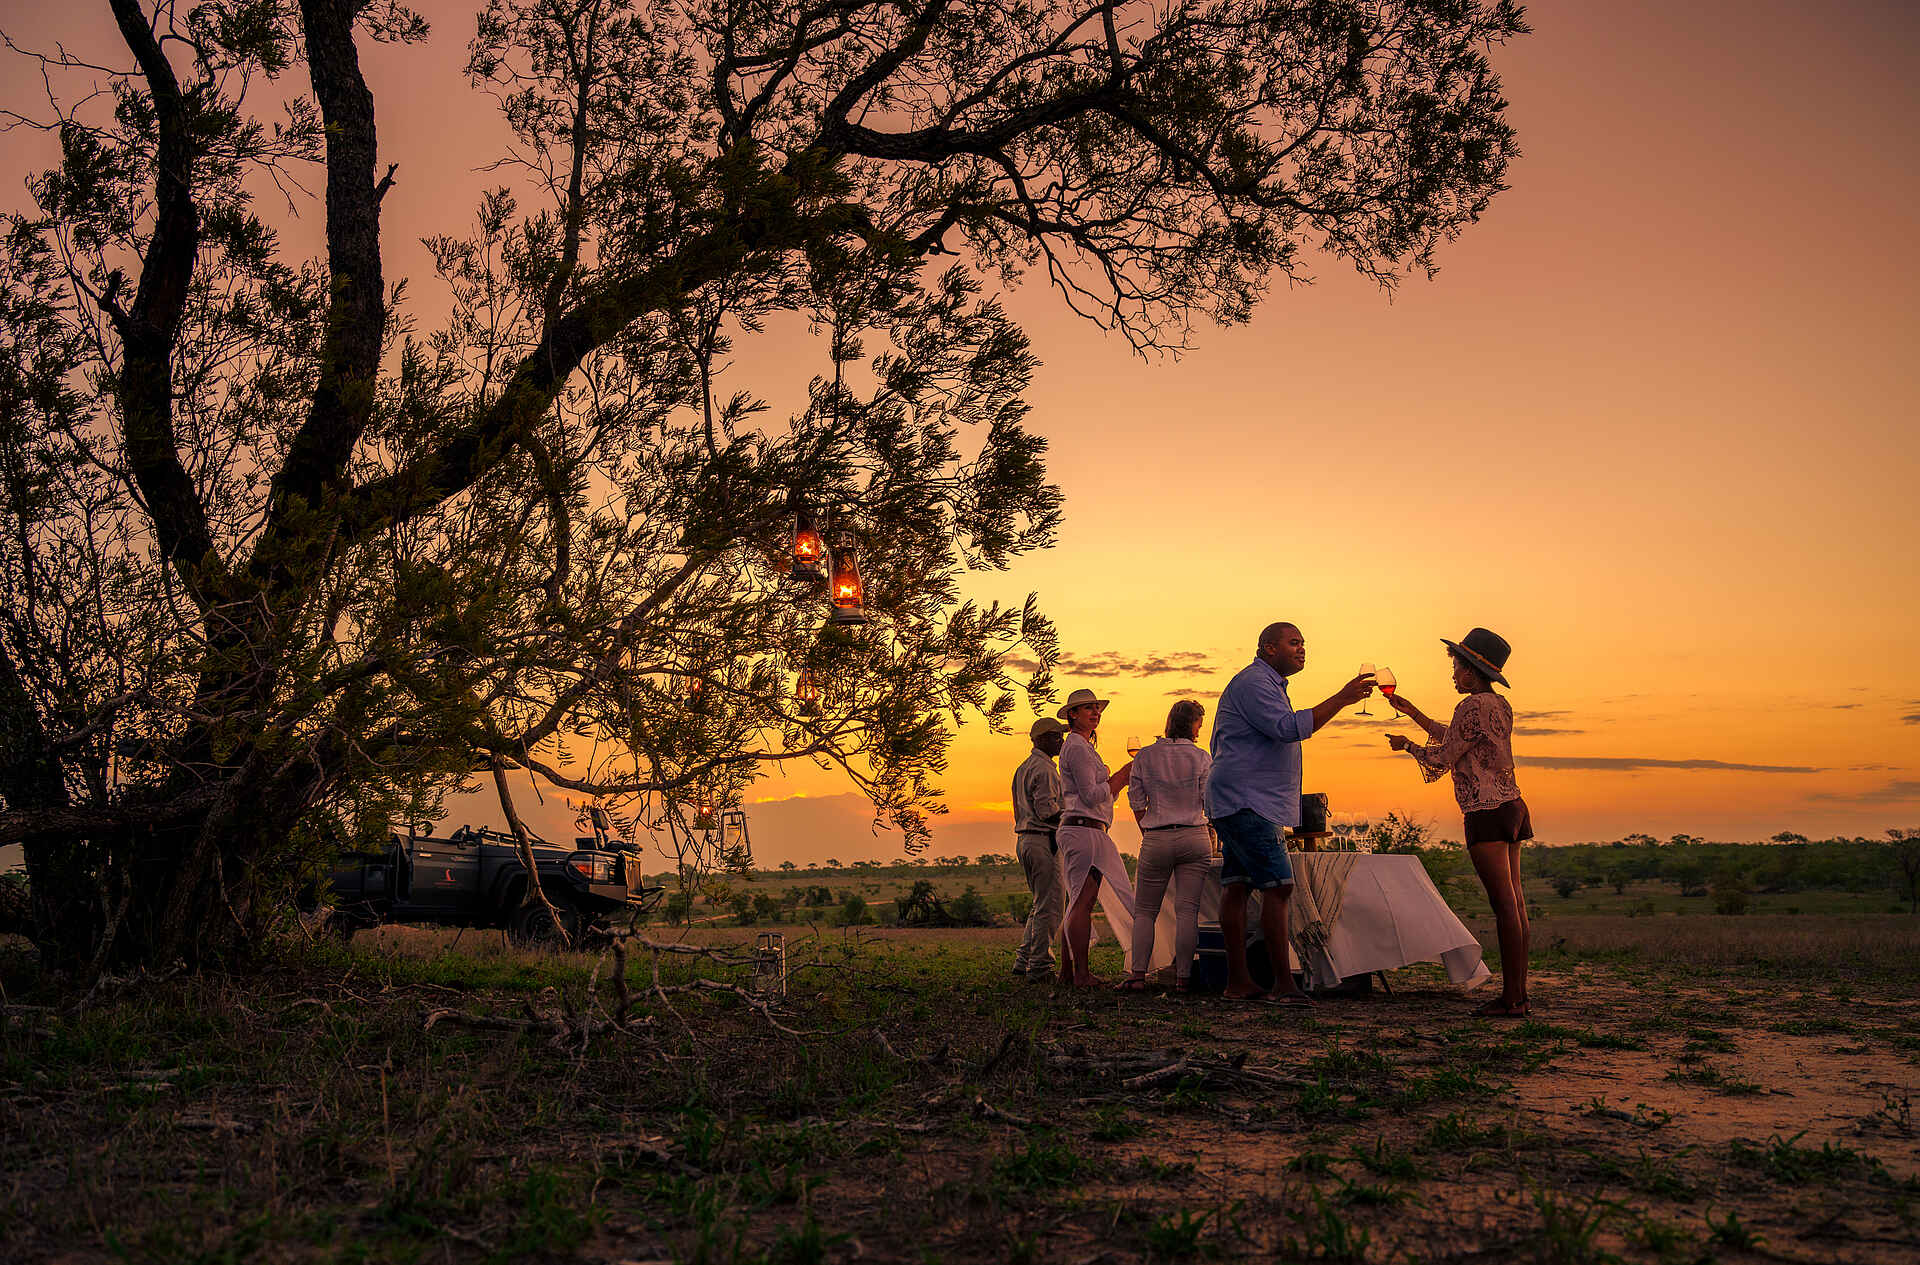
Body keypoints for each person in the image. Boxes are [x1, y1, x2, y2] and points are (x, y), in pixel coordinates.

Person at [1206, 623, 1375, 1004]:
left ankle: (1238, 982)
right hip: (1247, 800)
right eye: (1294, 642)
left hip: (1237, 797)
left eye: (1303, 643)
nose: (1302, 649)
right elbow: (1287, 729)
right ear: (1268, 648)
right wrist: (1343, 698)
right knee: (1279, 885)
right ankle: (1283, 985)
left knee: (1237, 884)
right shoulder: (1254, 682)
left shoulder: (1265, 684)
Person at [1385, 628, 1533, 1017]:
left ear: (1470, 670)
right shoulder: (1499, 704)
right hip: (1513, 806)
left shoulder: (1469, 706)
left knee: (1504, 907)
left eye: (1455, 666)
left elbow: (1443, 757)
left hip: (1485, 811)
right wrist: (1413, 712)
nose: (1452, 673)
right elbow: (1459, 739)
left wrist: (1407, 746)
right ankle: (1518, 993)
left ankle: (1512, 1000)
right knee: (1516, 904)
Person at [1054, 687, 1164, 986]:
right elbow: (1090, 796)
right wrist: (1121, 777)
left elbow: (1095, 794)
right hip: (1084, 829)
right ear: (1073, 714)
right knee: (1081, 903)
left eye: (1097, 708)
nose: (1095, 712)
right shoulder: (1076, 747)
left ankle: (1068, 972)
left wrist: (1116, 780)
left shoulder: (1084, 747)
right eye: (1088, 708)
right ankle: (1080, 974)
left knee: (1077, 900)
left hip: (1088, 829)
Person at [1117, 699, 1214, 994]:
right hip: (1194, 835)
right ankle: (1184, 979)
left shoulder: (1145, 756)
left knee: (1145, 910)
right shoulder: (1201, 757)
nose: (1200, 728)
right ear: (1192, 724)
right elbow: (1209, 802)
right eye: (1199, 722)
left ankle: (1137, 976)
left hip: (1157, 834)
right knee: (1188, 910)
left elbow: (1136, 801)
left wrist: (1148, 831)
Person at [1011, 717, 1067, 977]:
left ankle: (1024, 959)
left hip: (1026, 839)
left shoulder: (1024, 767)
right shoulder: (1044, 769)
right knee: (1051, 904)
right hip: (1042, 839)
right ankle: (1041, 965)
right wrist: (1075, 817)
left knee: (1040, 902)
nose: (1062, 740)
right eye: (1057, 736)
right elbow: (1048, 812)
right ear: (1042, 739)